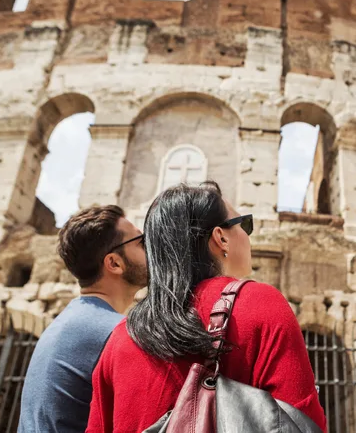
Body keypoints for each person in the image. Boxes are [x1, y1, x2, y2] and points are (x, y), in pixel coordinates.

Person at [86, 182, 327, 432]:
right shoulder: (261, 303)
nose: (248, 235)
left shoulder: (120, 337)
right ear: (221, 238)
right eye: (244, 225)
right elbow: (304, 423)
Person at [18, 205, 148, 433]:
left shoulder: (67, 322)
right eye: (141, 243)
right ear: (114, 263)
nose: (151, 251)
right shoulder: (115, 334)